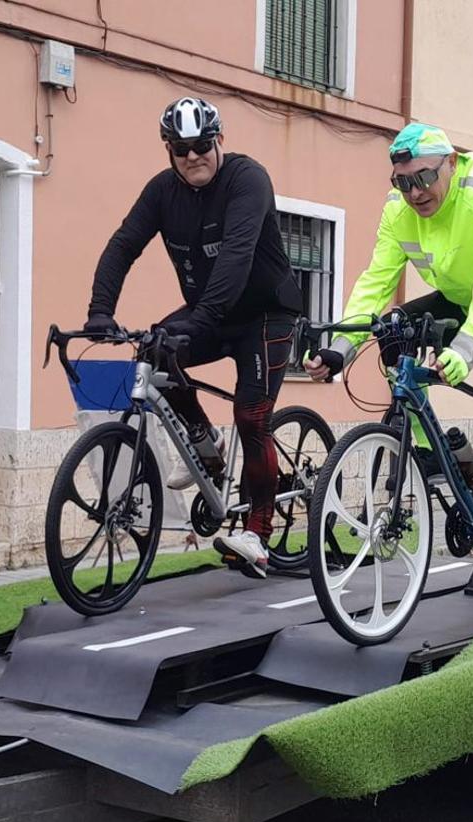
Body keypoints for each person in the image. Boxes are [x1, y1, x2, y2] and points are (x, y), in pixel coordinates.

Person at [304, 123, 473, 591]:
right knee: (393, 331)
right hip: (462, 297)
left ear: (451, 162)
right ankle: (435, 453)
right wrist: (339, 348)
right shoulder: (399, 213)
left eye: (424, 177)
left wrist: (466, 351)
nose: (414, 192)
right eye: (402, 182)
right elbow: (376, 281)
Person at [84, 96, 301, 580]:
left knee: (251, 416)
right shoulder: (162, 191)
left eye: (202, 144)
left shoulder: (248, 179)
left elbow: (237, 257)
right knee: (154, 352)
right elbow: (124, 245)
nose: (193, 156)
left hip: (266, 312)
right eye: (181, 148)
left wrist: (198, 321)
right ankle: (204, 442)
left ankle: (258, 532)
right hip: (212, 309)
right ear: (168, 150)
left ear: (219, 140)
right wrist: (100, 310)